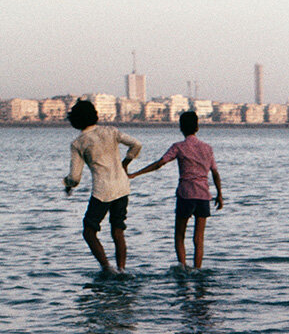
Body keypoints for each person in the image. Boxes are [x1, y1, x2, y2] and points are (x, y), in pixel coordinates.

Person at [129, 110, 223, 269]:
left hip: (186, 194)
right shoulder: (207, 148)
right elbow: (215, 173)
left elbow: (160, 163)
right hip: (203, 195)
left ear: (181, 128)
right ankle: (197, 269)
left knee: (179, 235)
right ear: (197, 127)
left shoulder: (179, 147)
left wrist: (136, 174)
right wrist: (220, 195)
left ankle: (183, 267)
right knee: (199, 238)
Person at [63, 98, 142, 275]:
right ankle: (122, 269)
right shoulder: (111, 131)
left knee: (89, 230)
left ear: (76, 121)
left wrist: (67, 184)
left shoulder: (78, 143)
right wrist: (126, 163)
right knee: (118, 229)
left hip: (102, 191)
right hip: (122, 186)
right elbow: (137, 144)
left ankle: (107, 267)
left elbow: (75, 177)